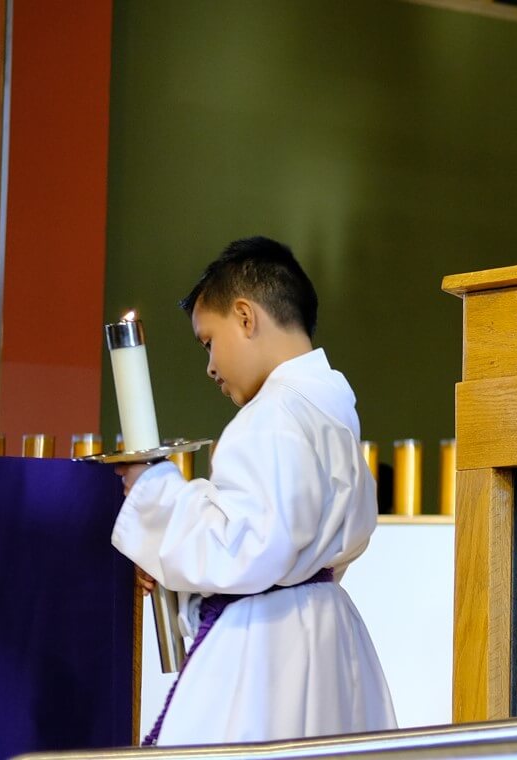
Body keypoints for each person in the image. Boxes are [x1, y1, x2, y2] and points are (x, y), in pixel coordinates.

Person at [113, 236, 395, 745]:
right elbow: (281, 540)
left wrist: (151, 493)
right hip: (328, 635)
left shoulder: (271, 415)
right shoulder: (332, 408)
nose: (210, 367)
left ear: (245, 317)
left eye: (208, 341)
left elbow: (242, 547)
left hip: (270, 649)